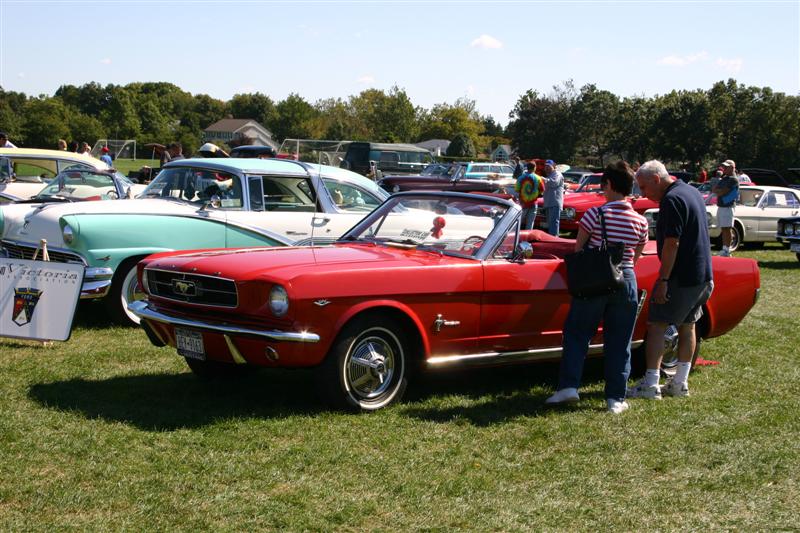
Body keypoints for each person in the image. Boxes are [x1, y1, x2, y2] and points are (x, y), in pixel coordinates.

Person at [546, 161, 648, 414]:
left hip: (595, 279)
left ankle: (569, 387)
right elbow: (635, 257)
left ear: (609, 184)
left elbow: (579, 249)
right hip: (626, 279)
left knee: (578, 333)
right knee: (620, 339)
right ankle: (615, 397)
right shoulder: (640, 221)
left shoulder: (594, 214)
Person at [628, 160, 713, 399]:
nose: (643, 193)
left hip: (680, 277)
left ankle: (650, 384)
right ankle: (679, 383)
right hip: (702, 274)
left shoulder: (671, 200)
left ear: (656, 179)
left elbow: (672, 242)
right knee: (688, 326)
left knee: (657, 326)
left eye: (644, 187)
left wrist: (663, 279)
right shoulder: (691, 191)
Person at [712, 159, 739, 257]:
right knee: (724, 229)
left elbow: (723, 192)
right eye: (724, 167)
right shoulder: (725, 178)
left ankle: (727, 250)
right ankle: (724, 249)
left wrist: (719, 191)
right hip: (722, 206)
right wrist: (719, 191)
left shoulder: (733, 179)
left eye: (726, 167)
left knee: (727, 229)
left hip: (728, 207)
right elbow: (714, 189)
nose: (724, 169)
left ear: (732, 168)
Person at [515, 162, 544, 230]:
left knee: (519, 221)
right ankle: (528, 235)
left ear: (527, 168)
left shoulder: (521, 178)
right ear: (534, 168)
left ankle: (515, 234)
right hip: (533, 202)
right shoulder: (538, 178)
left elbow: (517, 189)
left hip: (523, 202)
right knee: (530, 222)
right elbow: (542, 190)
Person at [542, 159, 564, 236]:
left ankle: (554, 240)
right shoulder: (549, 175)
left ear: (553, 166)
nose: (546, 168)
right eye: (545, 166)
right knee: (550, 224)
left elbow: (554, 183)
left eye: (548, 166)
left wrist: (543, 179)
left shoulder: (557, 174)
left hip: (554, 203)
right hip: (548, 203)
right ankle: (551, 238)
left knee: (554, 223)